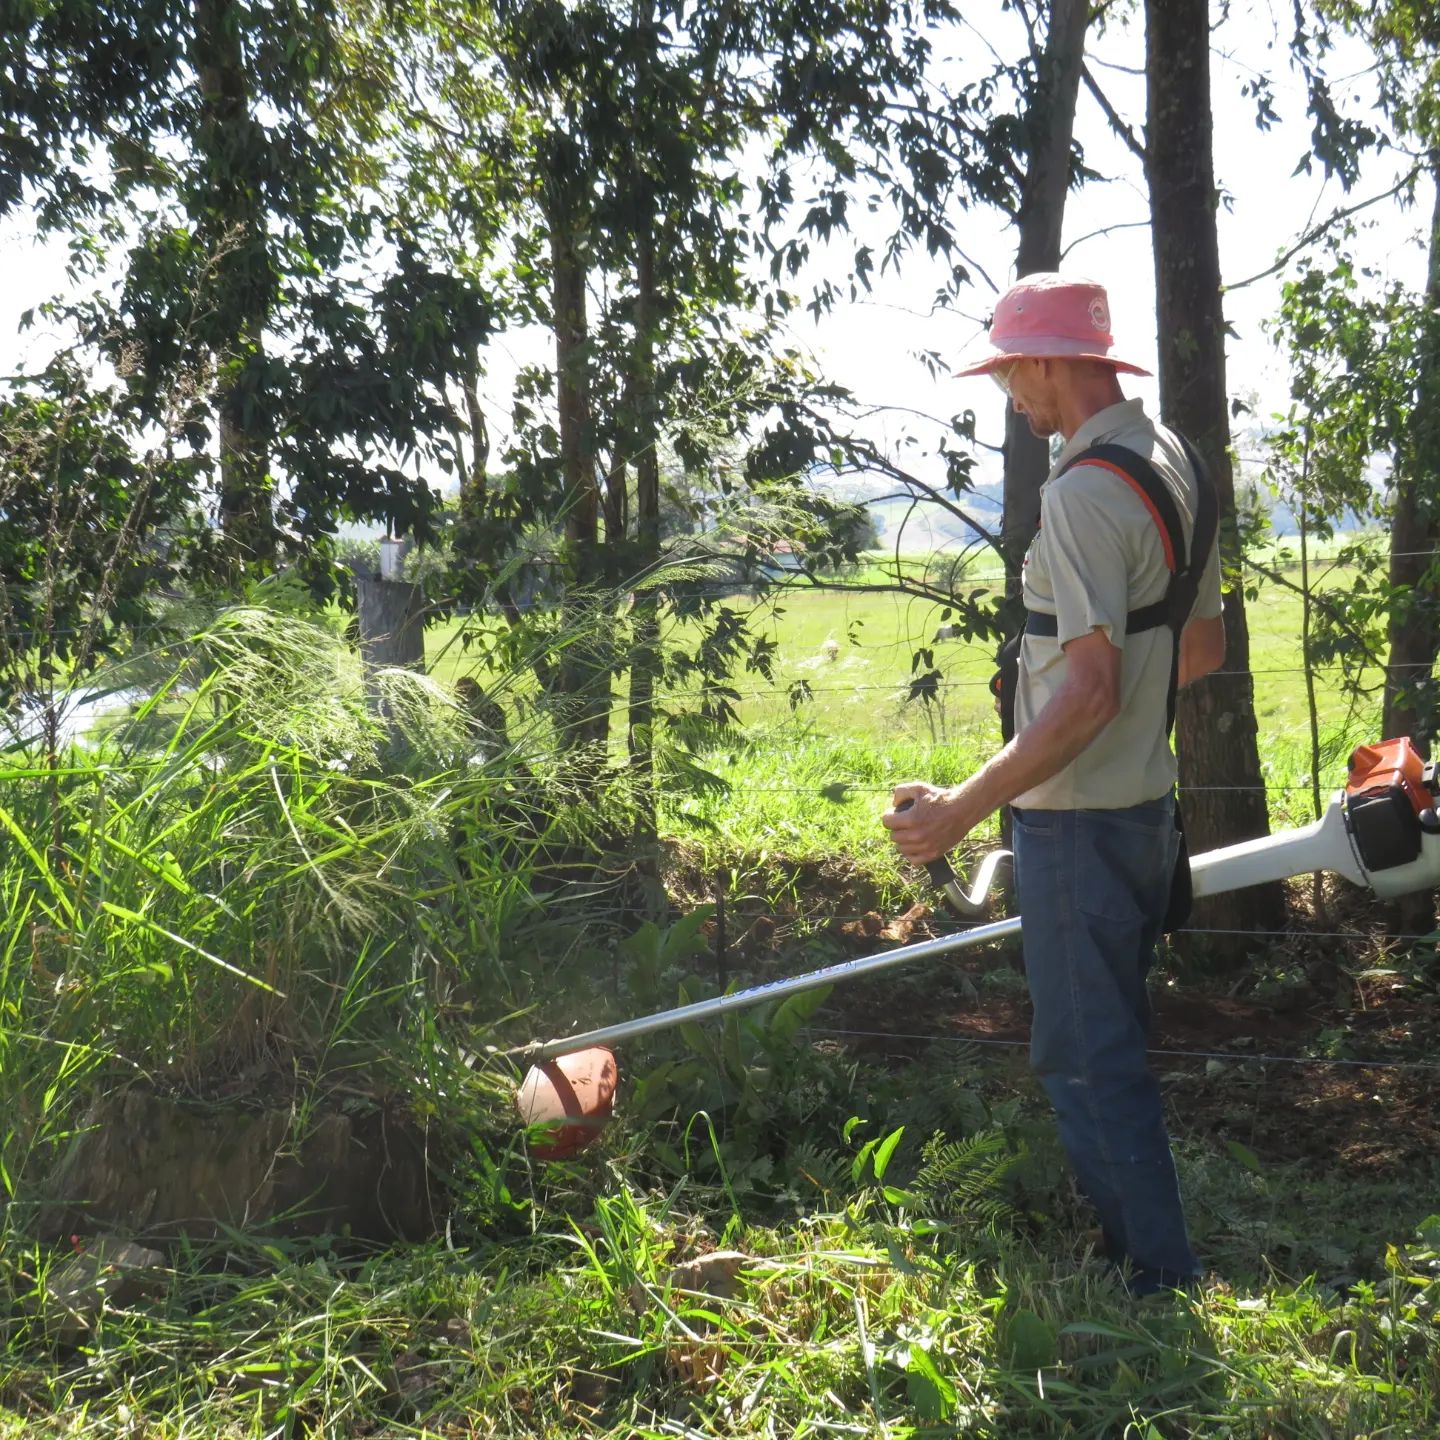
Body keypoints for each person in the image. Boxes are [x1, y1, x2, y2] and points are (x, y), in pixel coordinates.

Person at [882, 273, 1226, 1296]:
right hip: (1143, 810)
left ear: (1047, 363)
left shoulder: (1078, 497)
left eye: (1008, 375)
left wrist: (960, 811)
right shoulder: (1177, 466)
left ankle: (1154, 1289)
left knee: (1085, 1061)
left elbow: (1086, 695)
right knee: (1110, 1043)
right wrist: (1074, 699)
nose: (1010, 399)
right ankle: (1145, 1263)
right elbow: (1197, 650)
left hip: (1075, 825)